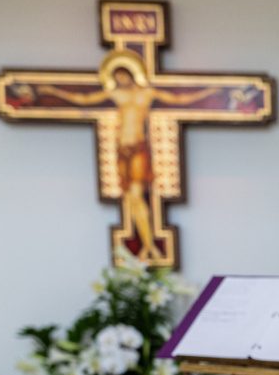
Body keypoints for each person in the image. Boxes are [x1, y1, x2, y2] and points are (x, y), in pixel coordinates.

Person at [37, 51, 218, 263]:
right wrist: (53, 91)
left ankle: (149, 247)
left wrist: (208, 93)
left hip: (140, 148)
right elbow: (83, 99)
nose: (120, 80)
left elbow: (179, 99)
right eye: (117, 77)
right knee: (132, 198)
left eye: (123, 75)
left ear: (132, 74)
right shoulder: (116, 95)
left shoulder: (147, 93)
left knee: (136, 195)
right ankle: (148, 248)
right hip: (121, 149)